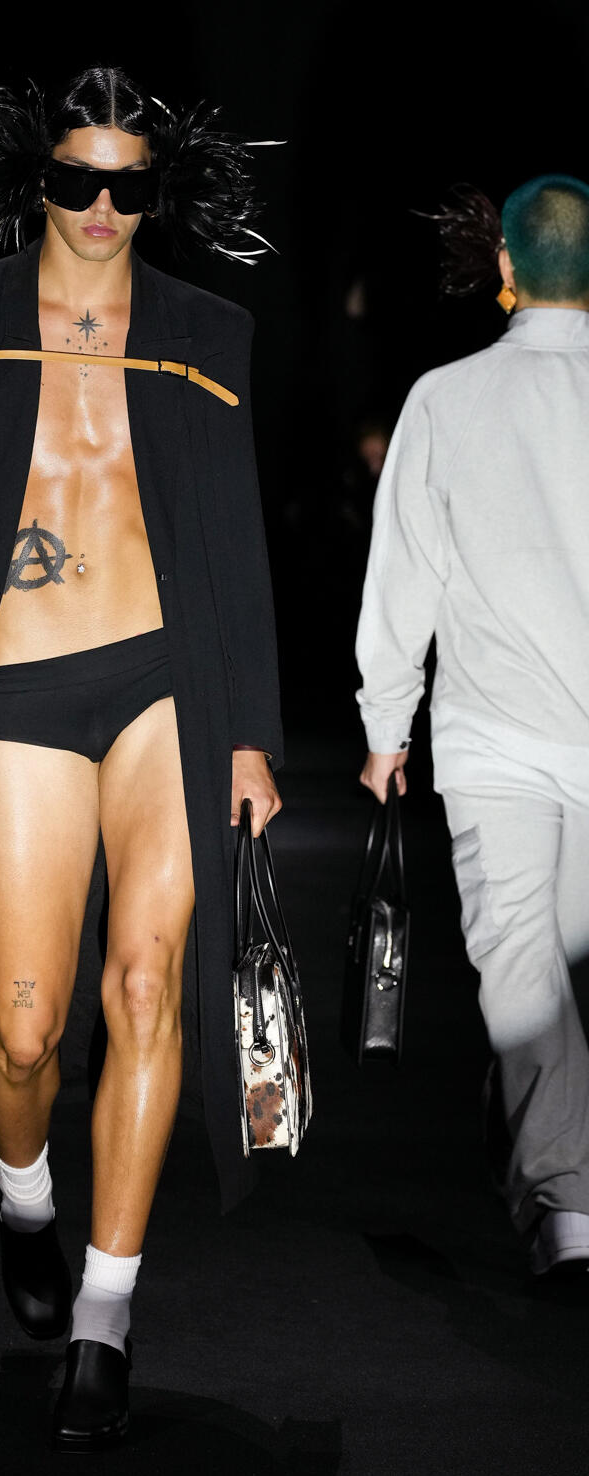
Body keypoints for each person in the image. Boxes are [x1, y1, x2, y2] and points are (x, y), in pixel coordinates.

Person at [0, 66, 283, 1446]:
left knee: (148, 984)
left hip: (163, 681)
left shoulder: (208, 330)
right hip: (18, 686)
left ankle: (105, 1314)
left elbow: (235, 536)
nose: (101, 207)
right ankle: (24, 1196)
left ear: (159, 193)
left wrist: (254, 732)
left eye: (128, 185)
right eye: (78, 179)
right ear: (37, 180)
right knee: (24, 1029)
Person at [355, 175, 589, 1278]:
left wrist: (384, 725)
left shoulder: (445, 400)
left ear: (504, 266)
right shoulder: (445, 398)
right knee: (544, 973)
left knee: (526, 970)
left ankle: (556, 1180)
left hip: (493, 736)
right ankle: (566, 1201)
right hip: (528, 738)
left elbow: (405, 572)